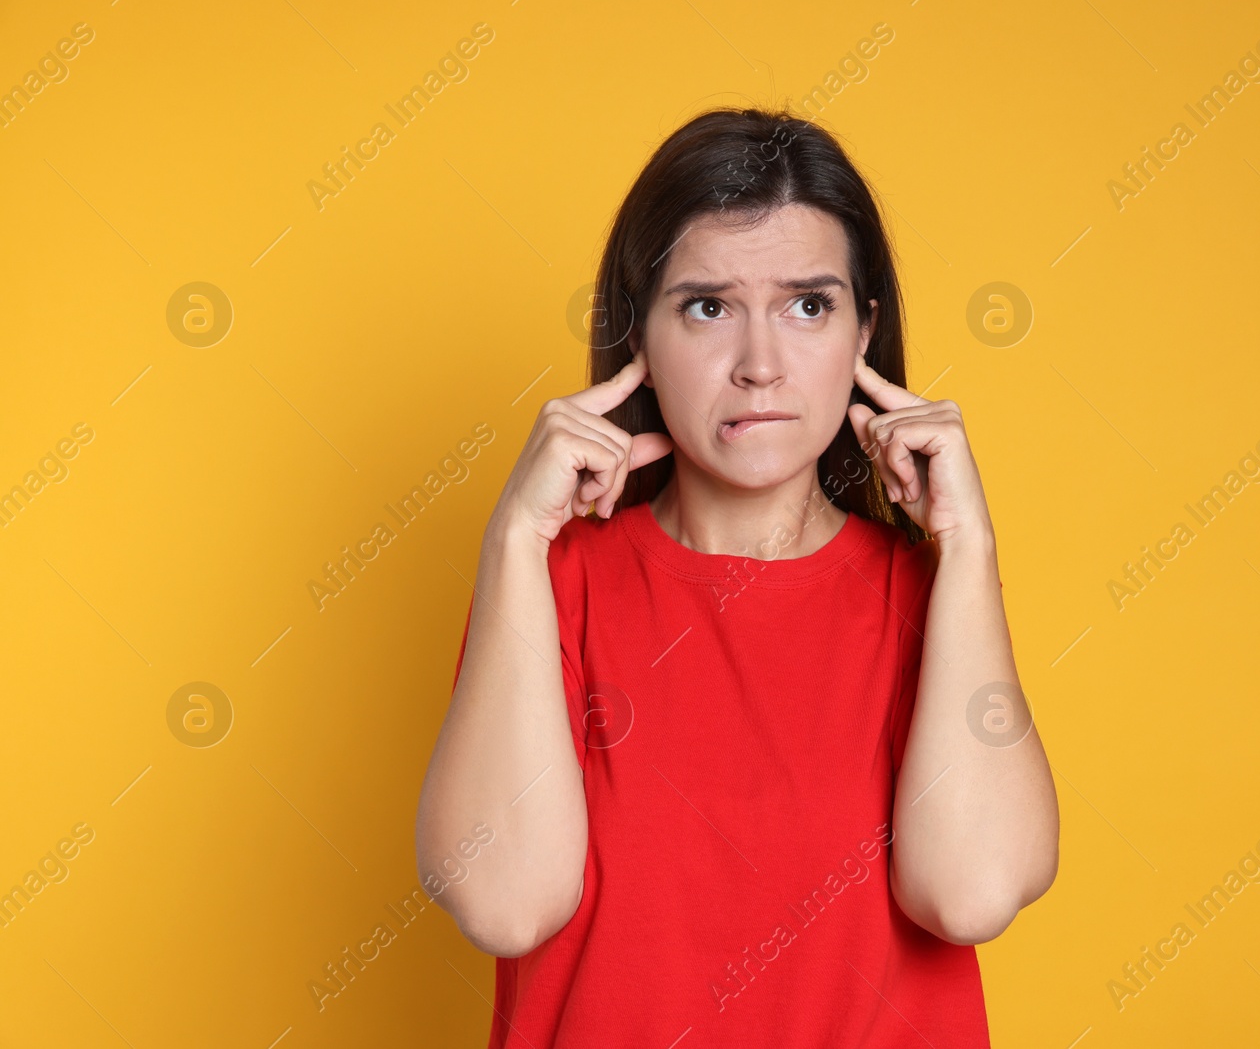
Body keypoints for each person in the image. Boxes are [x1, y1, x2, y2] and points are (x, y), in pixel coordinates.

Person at [414, 106, 1058, 1047]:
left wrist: (968, 546)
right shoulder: (551, 584)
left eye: (809, 306)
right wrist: (514, 538)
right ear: (640, 334)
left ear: (862, 334)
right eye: (708, 306)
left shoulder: (926, 596)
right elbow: (505, 905)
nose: (761, 366)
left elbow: (971, 893)